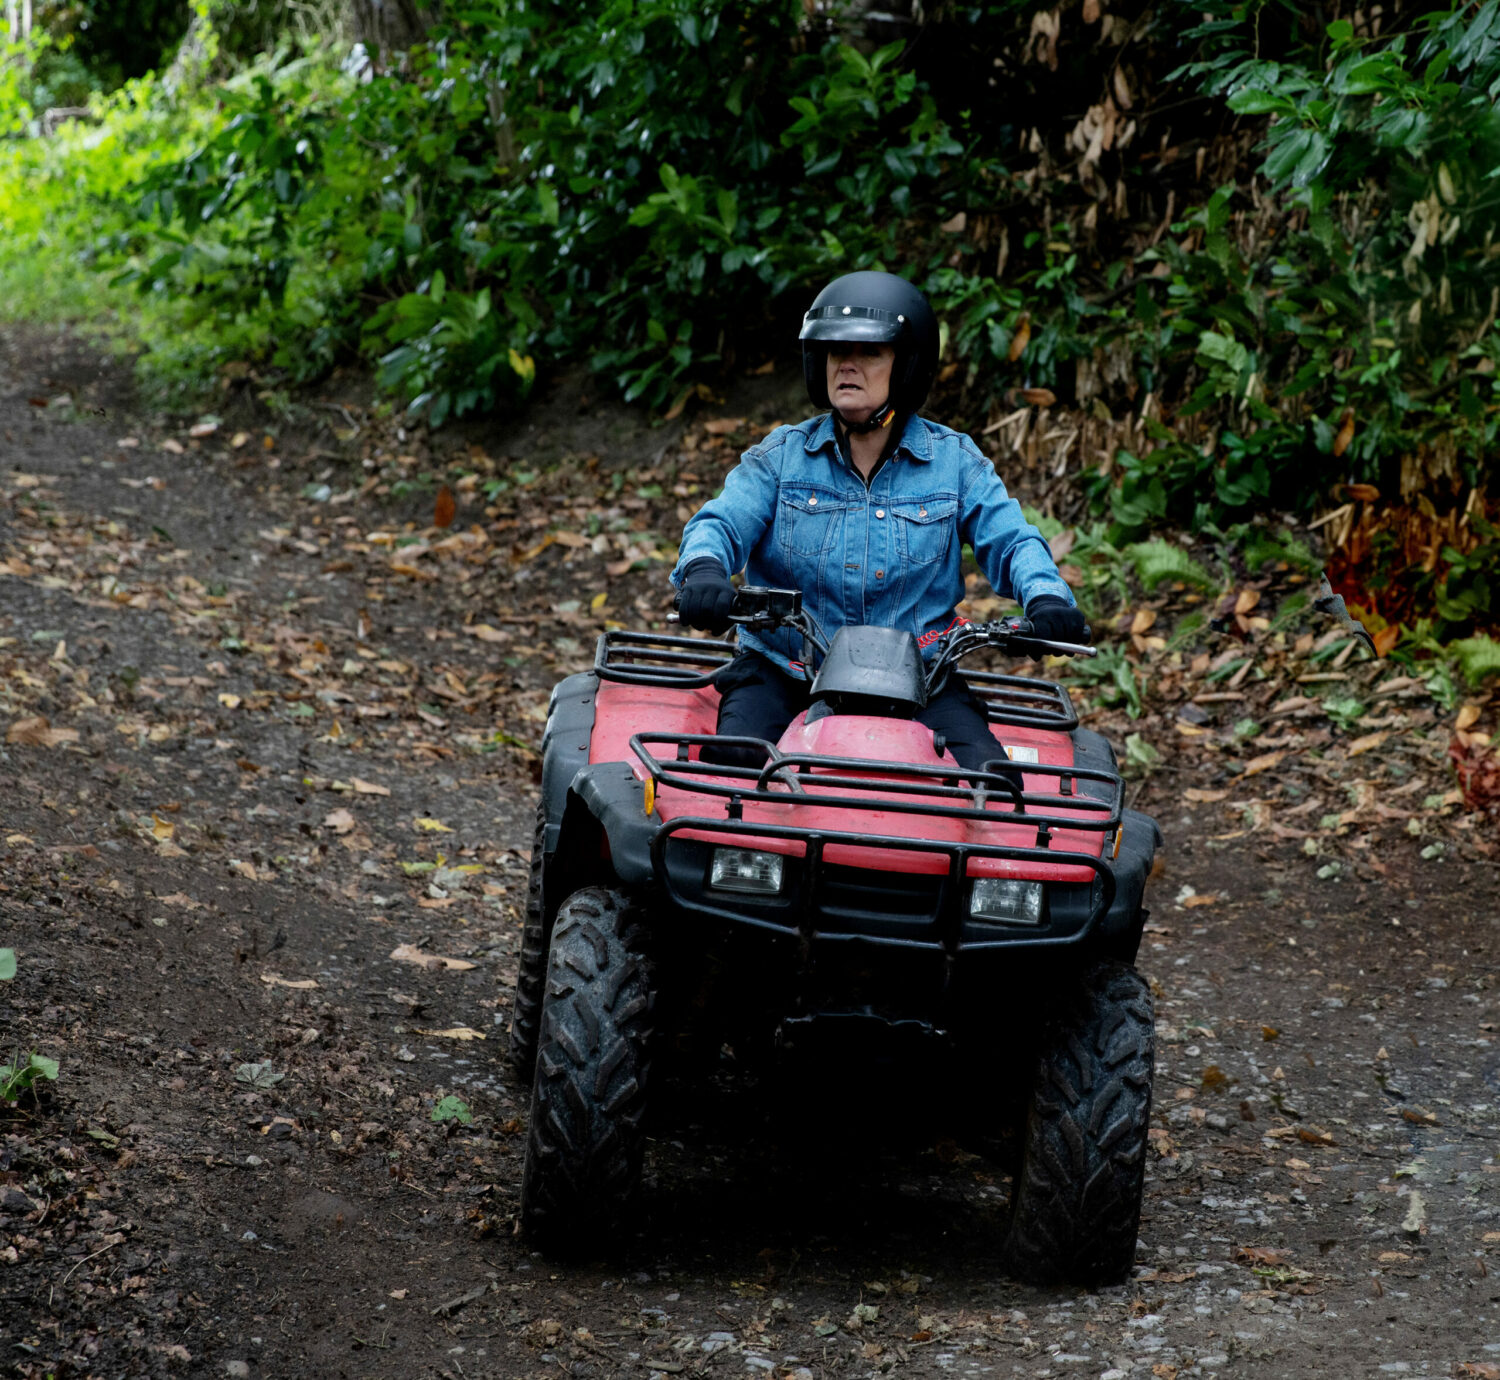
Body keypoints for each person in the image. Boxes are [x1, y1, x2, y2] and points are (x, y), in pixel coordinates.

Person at [670, 270, 1088, 772]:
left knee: (993, 793)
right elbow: (719, 523)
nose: (846, 365)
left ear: (908, 366)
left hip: (921, 678)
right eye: (833, 351)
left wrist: (1045, 598)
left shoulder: (954, 463)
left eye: (869, 352)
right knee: (729, 778)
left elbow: (1013, 540)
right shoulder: (780, 457)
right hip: (784, 670)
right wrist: (705, 571)